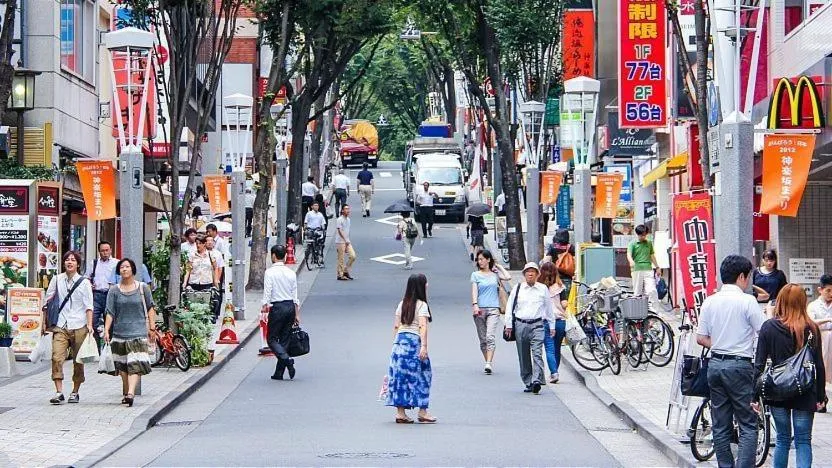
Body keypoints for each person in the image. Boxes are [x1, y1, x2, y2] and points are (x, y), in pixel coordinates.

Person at [696, 255, 767, 468]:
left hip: (715, 364)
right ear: (742, 276)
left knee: (720, 424)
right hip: (740, 366)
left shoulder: (710, 301)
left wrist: (721, 343)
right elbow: (763, 332)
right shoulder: (747, 301)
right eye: (748, 277)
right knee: (747, 423)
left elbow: (700, 338)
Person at [755, 283, 826, 468]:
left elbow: (759, 364)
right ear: (802, 302)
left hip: (777, 389)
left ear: (780, 301)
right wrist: (820, 396)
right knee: (803, 441)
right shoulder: (811, 328)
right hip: (805, 390)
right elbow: (818, 365)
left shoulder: (768, 327)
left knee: (782, 439)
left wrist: (754, 396)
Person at [103, 258, 156, 407]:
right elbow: (110, 312)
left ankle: (131, 393)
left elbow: (151, 307)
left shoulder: (142, 287)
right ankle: (127, 393)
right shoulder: (114, 290)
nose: (124, 269)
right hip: (120, 333)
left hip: (138, 332)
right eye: (121, 267)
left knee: (135, 364)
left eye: (127, 267)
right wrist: (107, 330)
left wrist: (152, 327)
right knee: (123, 367)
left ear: (133, 269)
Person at [43, 251, 94, 405]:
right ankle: (59, 392)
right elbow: (47, 301)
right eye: (67, 260)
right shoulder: (57, 279)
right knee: (57, 357)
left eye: (73, 260)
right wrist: (44, 323)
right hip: (61, 324)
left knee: (78, 361)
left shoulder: (84, 282)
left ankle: (75, 391)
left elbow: (89, 306)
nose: (69, 262)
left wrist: (90, 325)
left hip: (79, 325)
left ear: (78, 264)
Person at [386, 273, 436, 424]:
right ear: (421, 286)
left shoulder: (402, 304)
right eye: (425, 283)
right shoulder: (422, 305)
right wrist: (424, 347)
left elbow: (396, 325)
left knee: (400, 378)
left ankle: (400, 413)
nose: (427, 285)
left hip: (399, 343)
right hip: (414, 342)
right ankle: (422, 411)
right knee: (423, 375)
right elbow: (423, 326)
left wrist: (395, 345)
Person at [504, 262, 556, 394]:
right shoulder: (518, 288)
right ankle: (528, 381)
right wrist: (509, 325)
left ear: (538, 274)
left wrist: (552, 325)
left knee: (537, 353)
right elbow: (510, 307)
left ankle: (536, 380)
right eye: (528, 272)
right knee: (523, 354)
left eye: (533, 271)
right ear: (524, 274)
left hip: (537, 324)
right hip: (520, 324)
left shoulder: (543, 289)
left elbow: (549, 308)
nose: (530, 274)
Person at [262, 245, 301, 380]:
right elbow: (294, 294)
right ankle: (279, 372)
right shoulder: (291, 273)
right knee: (284, 339)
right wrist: (296, 313)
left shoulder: (270, 272)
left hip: (277, 307)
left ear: (273, 255)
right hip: (290, 305)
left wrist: (264, 305)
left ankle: (286, 359)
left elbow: (268, 290)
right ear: (285, 256)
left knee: (271, 339)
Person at [471, 250, 511, 374]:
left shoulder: (495, 275)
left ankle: (489, 363)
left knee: (490, 336)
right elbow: (474, 291)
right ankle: (487, 360)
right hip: (480, 309)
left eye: (482, 259)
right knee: (483, 339)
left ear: (488, 260)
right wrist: (475, 305)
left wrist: (498, 266)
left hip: (494, 308)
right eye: (478, 259)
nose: (480, 261)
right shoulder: (475, 275)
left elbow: (508, 277)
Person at [539, 261, 568, 384]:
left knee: (549, 349)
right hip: (560, 321)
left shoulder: (539, 288)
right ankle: (555, 371)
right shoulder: (560, 287)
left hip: (545, 321)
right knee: (557, 348)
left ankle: (554, 372)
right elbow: (564, 304)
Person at [88, 241, 119, 346]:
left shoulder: (116, 263)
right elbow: (87, 277)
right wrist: (89, 284)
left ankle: (109, 347)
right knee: (92, 322)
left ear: (111, 250)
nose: (105, 253)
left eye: (107, 250)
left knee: (110, 323)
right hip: (96, 295)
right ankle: (96, 348)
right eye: (102, 251)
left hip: (110, 295)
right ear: (99, 252)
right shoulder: (94, 263)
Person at [627, 225, 661, 312]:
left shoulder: (649, 243)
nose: (643, 237)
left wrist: (657, 267)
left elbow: (652, 255)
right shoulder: (632, 243)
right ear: (637, 234)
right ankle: (637, 312)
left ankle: (654, 313)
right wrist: (631, 261)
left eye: (645, 235)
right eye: (641, 235)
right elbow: (629, 255)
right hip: (637, 270)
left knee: (652, 290)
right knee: (637, 292)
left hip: (648, 269)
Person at [809, 274, 832, 384]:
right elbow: (810, 322)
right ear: (820, 290)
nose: (831, 294)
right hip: (820, 337)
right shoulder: (813, 305)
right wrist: (828, 319)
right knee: (821, 366)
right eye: (828, 290)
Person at [205, 235, 225, 320]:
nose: (209, 242)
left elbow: (220, 267)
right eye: (208, 241)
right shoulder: (203, 253)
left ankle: (216, 312)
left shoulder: (218, 253)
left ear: (214, 243)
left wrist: (217, 279)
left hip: (215, 276)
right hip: (206, 277)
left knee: (217, 295)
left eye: (211, 241)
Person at [335, 205, 356, 281]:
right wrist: (345, 239)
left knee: (353, 256)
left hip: (347, 241)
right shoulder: (339, 219)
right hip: (340, 241)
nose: (348, 210)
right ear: (342, 211)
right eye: (346, 209)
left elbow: (347, 231)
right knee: (341, 258)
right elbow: (339, 231)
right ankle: (340, 275)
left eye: (348, 209)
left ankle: (345, 270)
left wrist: (347, 240)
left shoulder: (349, 220)